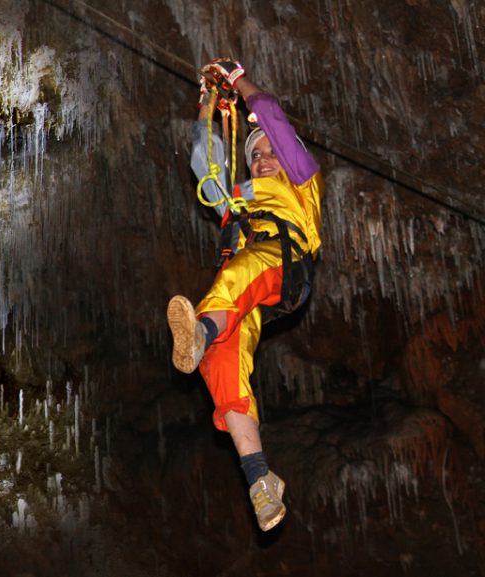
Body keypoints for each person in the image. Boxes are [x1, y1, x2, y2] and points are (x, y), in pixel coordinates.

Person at [167, 58, 324, 531]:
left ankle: (202, 329)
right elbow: (203, 163)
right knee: (220, 361)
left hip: (286, 264)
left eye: (268, 152)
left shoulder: (301, 180)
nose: (262, 158)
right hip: (255, 295)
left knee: (243, 268)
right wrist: (206, 103)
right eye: (255, 154)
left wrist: (237, 80)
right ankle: (261, 482)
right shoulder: (242, 197)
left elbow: (271, 115)